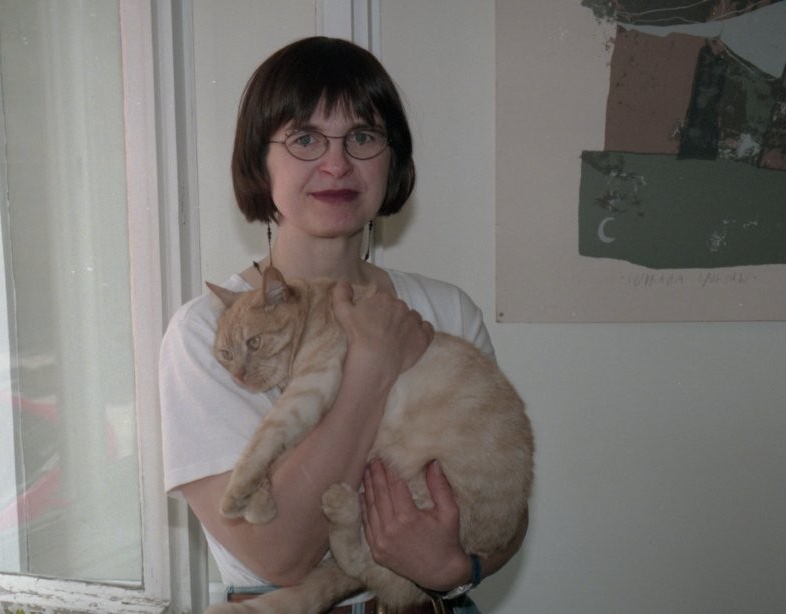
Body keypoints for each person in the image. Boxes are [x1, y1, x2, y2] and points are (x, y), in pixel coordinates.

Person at [159, 36, 526, 613]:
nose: (337, 164)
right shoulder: (207, 333)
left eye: (363, 137)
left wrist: (458, 570)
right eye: (305, 139)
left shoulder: (447, 309)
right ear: (259, 161)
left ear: (393, 160)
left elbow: (506, 508)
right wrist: (369, 370)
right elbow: (280, 557)